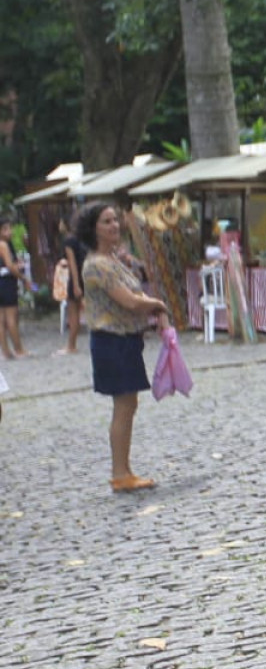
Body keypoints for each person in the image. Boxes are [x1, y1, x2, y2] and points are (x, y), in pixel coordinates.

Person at [75, 202, 169, 491]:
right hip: (111, 341)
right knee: (124, 406)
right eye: (106, 221)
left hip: (126, 339)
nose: (114, 225)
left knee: (128, 405)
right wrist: (157, 305)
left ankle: (124, 469)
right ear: (94, 229)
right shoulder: (97, 265)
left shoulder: (113, 259)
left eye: (115, 220)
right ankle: (120, 473)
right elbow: (129, 300)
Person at [58, 218, 87, 354]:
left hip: (75, 278)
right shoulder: (80, 239)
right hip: (84, 276)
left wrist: (75, 284)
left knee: (73, 312)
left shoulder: (68, 241)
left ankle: (71, 345)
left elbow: (72, 263)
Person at [0, 216, 27, 359]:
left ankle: (5, 351)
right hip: (6, 282)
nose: (9, 232)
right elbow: (10, 266)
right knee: (11, 317)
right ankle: (18, 349)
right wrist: (22, 277)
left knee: (1, 320)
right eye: (5, 229)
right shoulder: (3, 245)